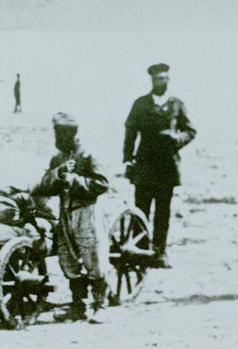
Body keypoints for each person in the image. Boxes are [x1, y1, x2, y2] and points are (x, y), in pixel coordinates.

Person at [34, 113, 110, 323]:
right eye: (56, 133)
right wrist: (58, 175)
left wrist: (74, 180)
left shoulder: (88, 156)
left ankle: (101, 305)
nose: (58, 138)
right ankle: (78, 306)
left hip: (87, 211)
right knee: (68, 260)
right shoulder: (58, 159)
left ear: (73, 134)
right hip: (65, 213)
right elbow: (45, 186)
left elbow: (102, 184)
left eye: (62, 134)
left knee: (93, 258)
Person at [123, 63, 196, 268]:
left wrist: (177, 138)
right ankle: (140, 250)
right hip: (145, 165)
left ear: (168, 80)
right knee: (141, 209)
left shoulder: (177, 105)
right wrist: (128, 159)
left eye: (163, 78)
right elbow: (130, 132)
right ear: (152, 81)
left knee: (163, 212)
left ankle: (159, 253)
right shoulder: (141, 104)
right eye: (156, 79)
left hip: (167, 167)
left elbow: (190, 131)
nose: (160, 82)